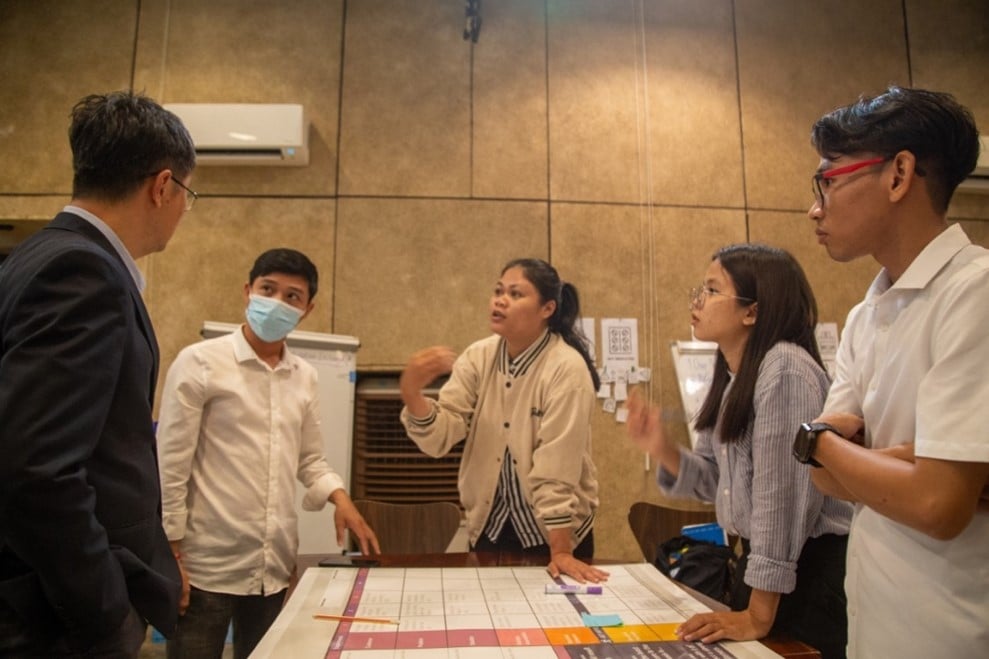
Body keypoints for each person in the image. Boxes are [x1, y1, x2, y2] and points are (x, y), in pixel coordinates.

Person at [0, 91, 195, 656]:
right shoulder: (83, 271)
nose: (182, 211)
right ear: (163, 186)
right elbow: (38, 470)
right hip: (53, 617)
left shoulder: (35, 255)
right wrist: (107, 612)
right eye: (187, 195)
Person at [800, 86, 989, 658]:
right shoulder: (866, 313)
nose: (815, 208)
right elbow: (826, 480)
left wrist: (817, 442)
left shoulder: (975, 291)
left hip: (953, 633)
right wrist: (910, 459)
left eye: (828, 180)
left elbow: (938, 506)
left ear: (899, 174)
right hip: (874, 625)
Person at [627, 244, 852, 658]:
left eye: (712, 290)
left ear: (752, 311)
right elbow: (720, 481)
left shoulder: (785, 368)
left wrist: (758, 614)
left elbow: (782, 498)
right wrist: (663, 449)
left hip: (806, 574)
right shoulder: (735, 377)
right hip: (764, 572)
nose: (697, 300)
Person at [156, 248, 380, 659]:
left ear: (307, 309)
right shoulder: (199, 362)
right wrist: (170, 553)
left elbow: (310, 459)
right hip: (205, 567)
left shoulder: (304, 376)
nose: (277, 303)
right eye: (268, 290)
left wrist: (341, 499)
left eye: (292, 296)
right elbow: (170, 464)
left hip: (271, 567)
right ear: (248, 291)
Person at [399, 258, 608, 583]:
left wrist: (562, 552)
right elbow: (443, 435)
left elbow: (557, 467)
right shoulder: (478, 357)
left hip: (555, 535)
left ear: (547, 308)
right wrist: (412, 393)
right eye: (498, 291)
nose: (500, 300)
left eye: (515, 294)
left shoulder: (567, 369)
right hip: (489, 528)